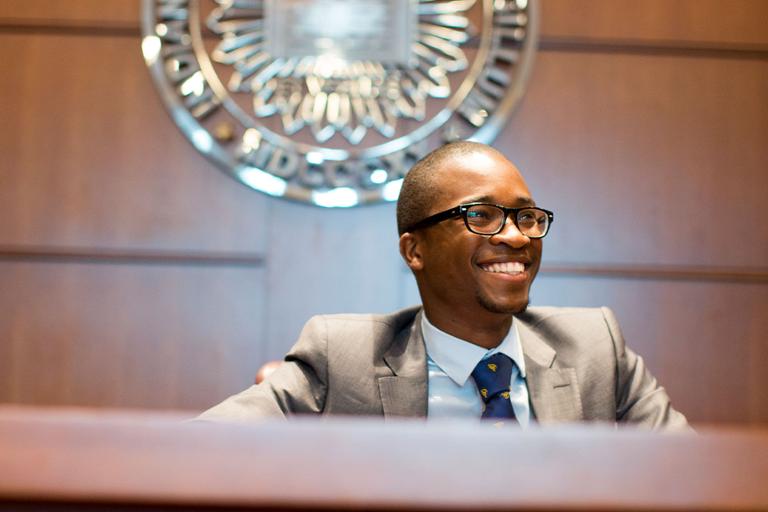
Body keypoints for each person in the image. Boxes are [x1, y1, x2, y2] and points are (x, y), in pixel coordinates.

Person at [199, 141, 689, 429]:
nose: (517, 236)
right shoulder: (343, 358)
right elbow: (190, 454)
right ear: (416, 251)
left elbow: (691, 478)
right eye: (482, 215)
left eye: (526, 216)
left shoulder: (597, 351)